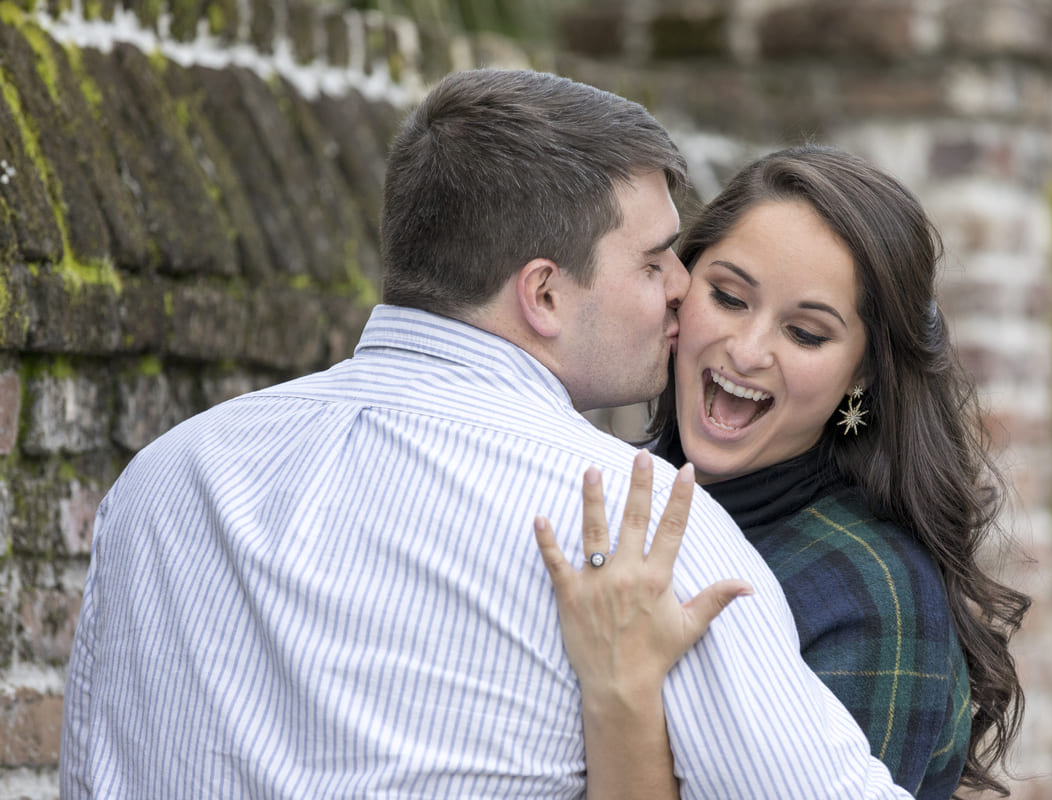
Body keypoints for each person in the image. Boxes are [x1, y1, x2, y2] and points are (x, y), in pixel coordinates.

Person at [60, 71, 912, 798]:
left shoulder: (162, 480)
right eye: (654, 264)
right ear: (543, 294)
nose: (682, 290)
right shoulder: (635, 526)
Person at [536, 146, 1030, 799]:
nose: (746, 350)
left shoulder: (873, 598)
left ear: (862, 376)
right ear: (678, 288)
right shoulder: (596, 485)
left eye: (806, 333)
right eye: (729, 297)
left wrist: (621, 692)